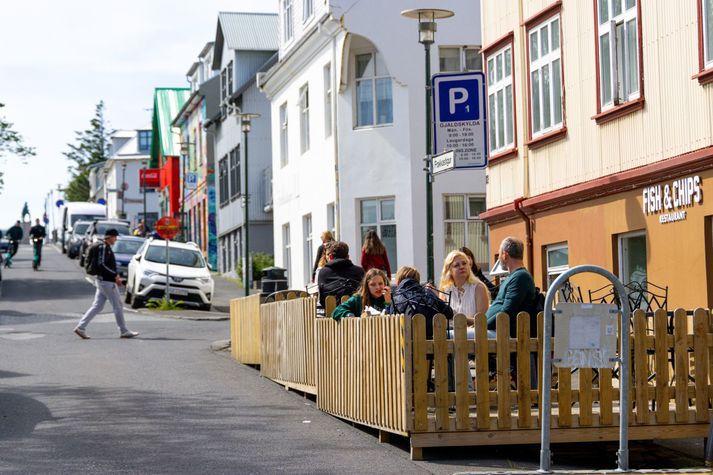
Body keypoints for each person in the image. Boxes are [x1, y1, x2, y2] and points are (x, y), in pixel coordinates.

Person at [74, 229, 139, 339]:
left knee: (97, 306)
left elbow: (103, 265)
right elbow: (102, 264)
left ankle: (81, 327)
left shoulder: (104, 247)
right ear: (110, 237)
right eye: (115, 237)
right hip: (107, 282)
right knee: (118, 305)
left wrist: (114, 276)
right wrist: (115, 275)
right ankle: (123, 330)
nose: (116, 239)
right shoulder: (104, 247)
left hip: (103, 281)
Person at [485, 237, 536, 336]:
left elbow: (506, 311)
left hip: (503, 333)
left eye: (499, 254)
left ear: (505, 255)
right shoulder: (514, 276)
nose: (499, 258)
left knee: (455, 335)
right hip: (496, 330)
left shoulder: (520, 277)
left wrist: (482, 325)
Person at [390, 266, 453, 339]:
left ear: (398, 282)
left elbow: (392, 321)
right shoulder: (427, 293)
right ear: (418, 281)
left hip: (407, 342)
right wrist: (436, 296)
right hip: (433, 342)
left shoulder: (397, 297)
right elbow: (449, 313)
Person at [438, 250, 490, 325]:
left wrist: (457, 317)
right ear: (449, 270)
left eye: (464, 263)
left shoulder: (479, 288)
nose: (461, 267)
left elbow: (482, 321)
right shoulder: (445, 290)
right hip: (451, 335)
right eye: (456, 265)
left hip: (474, 334)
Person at [317, 241, 365, 310]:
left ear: (330, 257)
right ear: (348, 257)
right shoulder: (359, 271)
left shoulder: (323, 272)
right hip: (357, 313)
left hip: (332, 314)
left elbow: (322, 299)